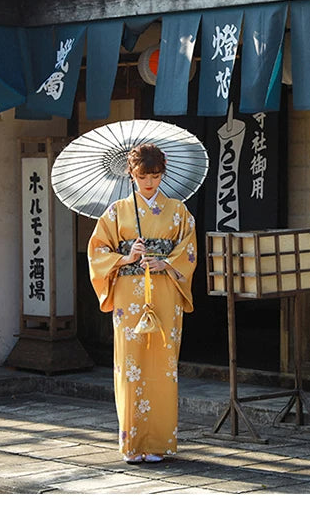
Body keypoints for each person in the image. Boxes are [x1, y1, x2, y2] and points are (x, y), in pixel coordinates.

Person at [87, 143, 197, 464]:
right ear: (131, 175)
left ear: (162, 174)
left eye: (155, 175)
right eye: (142, 175)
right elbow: (97, 252)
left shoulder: (178, 211)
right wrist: (126, 256)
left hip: (164, 289)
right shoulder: (116, 212)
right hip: (128, 295)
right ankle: (132, 443)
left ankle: (159, 443)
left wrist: (168, 263)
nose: (149, 182)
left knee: (163, 364)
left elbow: (188, 249)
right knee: (130, 365)